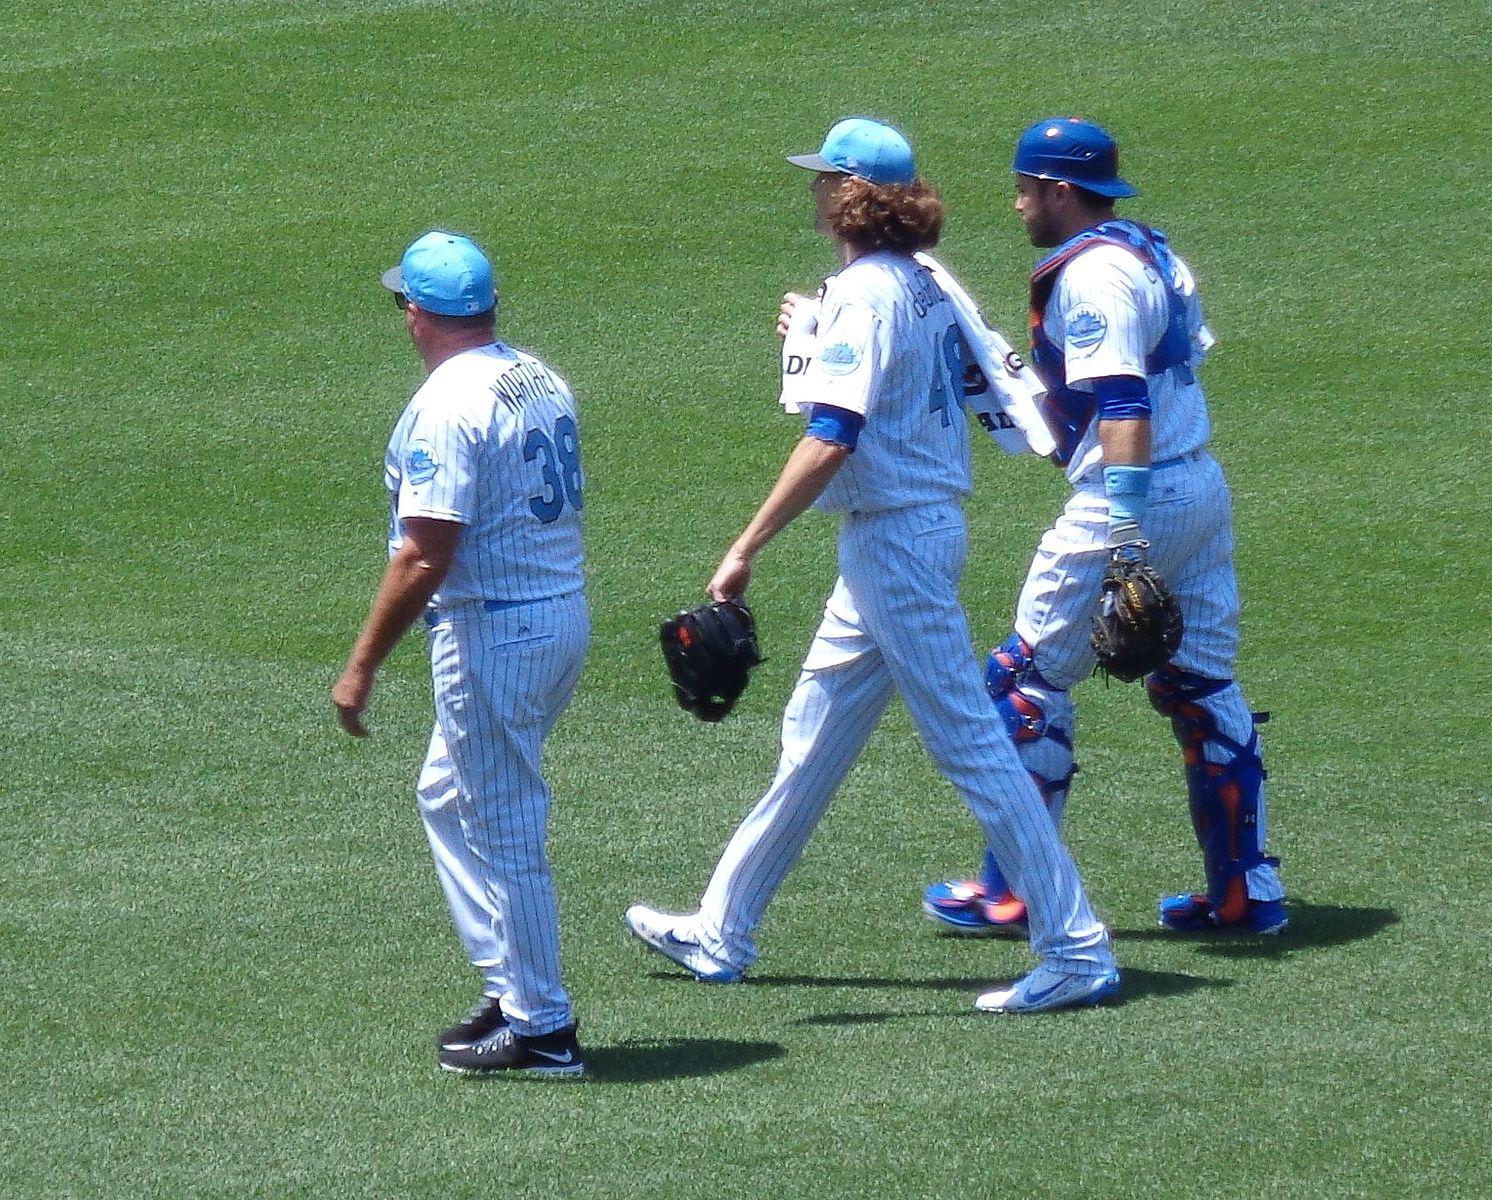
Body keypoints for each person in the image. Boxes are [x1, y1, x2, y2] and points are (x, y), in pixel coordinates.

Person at [624, 118, 1118, 1014]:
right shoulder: (916, 281)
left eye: (825, 180)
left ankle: (1076, 949)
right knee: (811, 736)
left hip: (897, 543)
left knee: (971, 745)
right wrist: (810, 336)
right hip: (898, 539)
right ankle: (721, 929)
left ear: (853, 195)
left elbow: (832, 435)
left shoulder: (866, 292)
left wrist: (745, 546)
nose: (813, 191)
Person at [921, 118, 1288, 937]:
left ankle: (1014, 890)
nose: (1016, 206)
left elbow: (1122, 402)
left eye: (1024, 190)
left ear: (1058, 190)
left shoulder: (1094, 278)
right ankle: (1245, 892)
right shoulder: (1151, 250)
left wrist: (1123, 536)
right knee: (1201, 687)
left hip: (1137, 498)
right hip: (1200, 486)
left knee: (1024, 683)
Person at [332, 230, 591, 1075]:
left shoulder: (450, 404)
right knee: (446, 795)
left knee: (505, 826)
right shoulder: (535, 372)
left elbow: (424, 551)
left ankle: (544, 1028)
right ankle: (511, 987)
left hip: (495, 632)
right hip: (556, 615)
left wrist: (363, 664)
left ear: (417, 313)